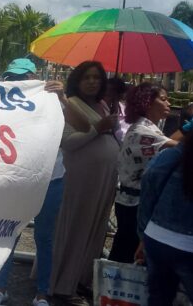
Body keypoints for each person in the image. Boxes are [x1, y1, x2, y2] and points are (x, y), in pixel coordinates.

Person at [0, 59, 89, 306]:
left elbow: (84, 126)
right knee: (7, 233)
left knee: (44, 237)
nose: (17, 82)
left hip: (51, 179)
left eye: (22, 77)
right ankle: (0, 289)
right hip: (16, 180)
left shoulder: (53, 100)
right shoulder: (3, 103)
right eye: (12, 78)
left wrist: (63, 98)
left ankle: (42, 293)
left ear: (33, 77)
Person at [49, 61, 119, 306]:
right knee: (76, 227)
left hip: (103, 178)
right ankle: (62, 284)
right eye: (87, 77)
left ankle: (81, 279)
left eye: (97, 78)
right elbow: (68, 142)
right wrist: (98, 129)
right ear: (77, 80)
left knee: (95, 228)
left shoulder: (103, 105)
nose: (92, 82)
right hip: (81, 177)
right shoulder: (70, 103)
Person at [137, 101, 193, 305]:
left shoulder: (173, 154)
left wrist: (144, 234)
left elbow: (149, 188)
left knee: (158, 299)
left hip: (157, 239)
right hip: (192, 247)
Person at [110, 83, 177, 263]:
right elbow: (182, 148)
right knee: (126, 256)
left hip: (135, 202)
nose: (169, 103)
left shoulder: (148, 128)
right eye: (163, 99)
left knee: (126, 252)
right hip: (135, 204)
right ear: (147, 102)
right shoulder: (142, 132)